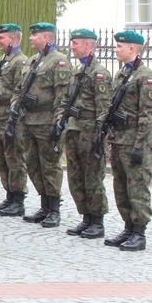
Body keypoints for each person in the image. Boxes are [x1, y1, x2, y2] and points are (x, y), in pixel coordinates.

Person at [100, 30, 152, 251]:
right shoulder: (121, 75)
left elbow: (148, 115)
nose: (116, 50)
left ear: (132, 49)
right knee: (121, 186)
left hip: (135, 141)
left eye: (119, 47)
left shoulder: (147, 77)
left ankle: (139, 232)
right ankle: (128, 226)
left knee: (137, 188)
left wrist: (140, 145)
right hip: (118, 140)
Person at [10, 23, 72, 228]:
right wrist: (14, 106)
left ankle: (54, 208)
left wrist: (58, 122)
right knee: (33, 165)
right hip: (28, 121)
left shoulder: (59, 62)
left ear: (46, 37)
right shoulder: (32, 61)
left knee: (50, 166)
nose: (30, 38)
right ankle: (44, 205)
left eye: (34, 35)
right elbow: (18, 89)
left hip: (47, 122)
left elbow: (62, 96)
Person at [54, 29, 111, 239]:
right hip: (74, 130)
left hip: (89, 133)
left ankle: (97, 220)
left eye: (75, 43)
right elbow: (65, 99)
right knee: (76, 177)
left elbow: (104, 108)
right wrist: (61, 119)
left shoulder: (99, 74)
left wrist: (99, 136)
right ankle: (85, 217)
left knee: (92, 178)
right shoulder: (77, 71)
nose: (72, 46)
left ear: (88, 45)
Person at [0, 24, 29, 216]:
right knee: (1, 159)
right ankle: (9, 195)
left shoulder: (20, 62)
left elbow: (18, 90)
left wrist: (13, 117)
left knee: (14, 158)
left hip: (10, 117)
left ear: (13, 39)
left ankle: (18, 198)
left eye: (2, 38)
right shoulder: (3, 60)